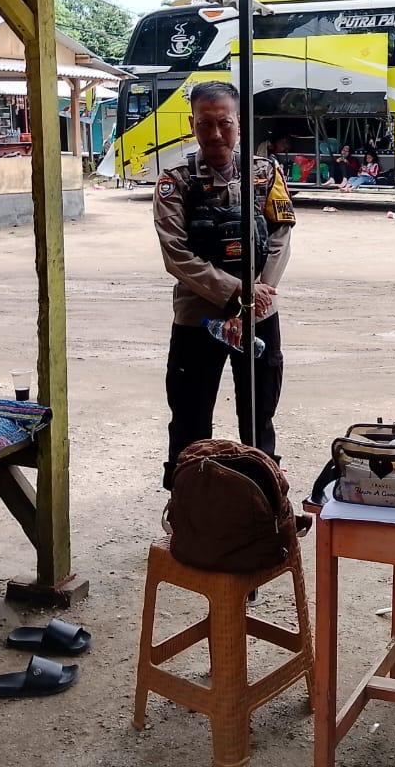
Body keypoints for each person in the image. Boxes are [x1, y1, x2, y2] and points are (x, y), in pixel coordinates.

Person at [154, 81, 297, 490]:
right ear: (192, 124)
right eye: (205, 124)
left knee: (259, 414)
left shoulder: (265, 173)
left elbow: (280, 236)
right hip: (198, 318)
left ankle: (264, 495)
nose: (216, 134)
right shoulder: (176, 181)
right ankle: (187, 500)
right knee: (190, 415)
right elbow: (176, 254)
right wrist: (237, 290)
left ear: (239, 123)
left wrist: (261, 291)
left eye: (225, 123)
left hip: (259, 314)